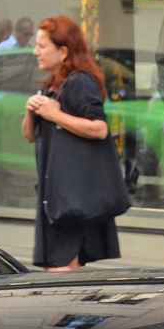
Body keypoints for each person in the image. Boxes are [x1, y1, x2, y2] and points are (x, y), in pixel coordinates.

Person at [25, 15, 124, 271]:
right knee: (58, 272)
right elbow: (30, 135)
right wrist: (31, 111)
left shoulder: (80, 82)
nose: (36, 52)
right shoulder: (51, 86)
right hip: (56, 196)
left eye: (42, 46)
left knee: (62, 274)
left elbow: (100, 129)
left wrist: (55, 115)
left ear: (63, 51)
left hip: (71, 198)